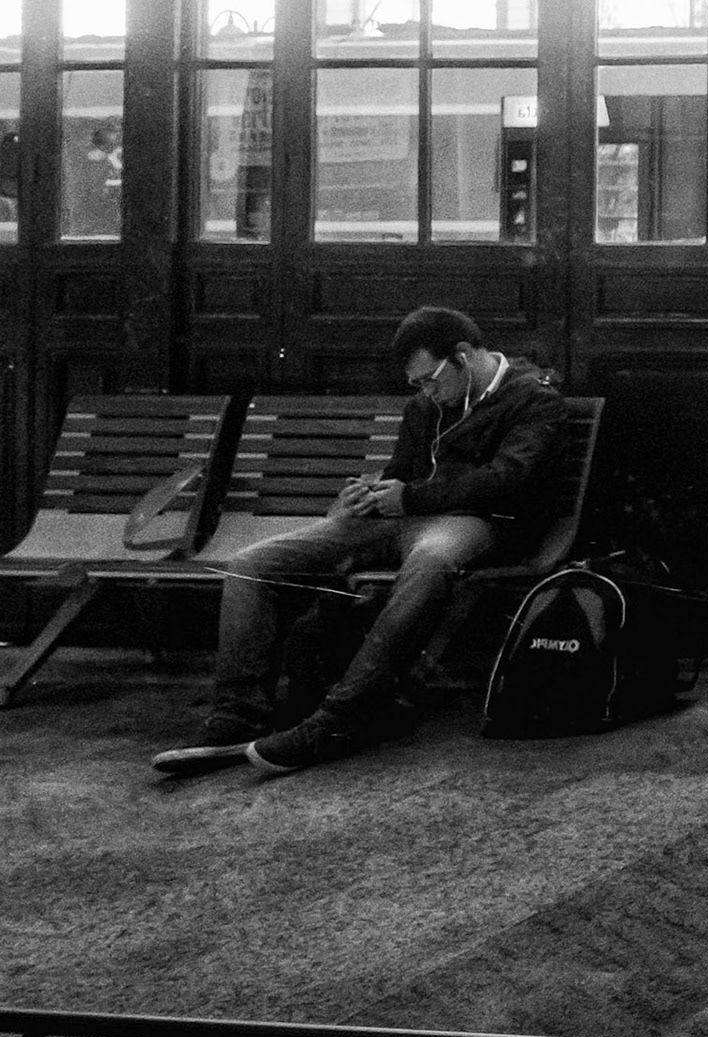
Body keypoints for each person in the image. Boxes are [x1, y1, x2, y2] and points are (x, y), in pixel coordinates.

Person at [152, 306, 565, 775]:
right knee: (251, 563)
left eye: (429, 379)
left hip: (479, 522)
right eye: (417, 385)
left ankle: (338, 718)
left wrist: (410, 497)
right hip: (404, 518)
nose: (426, 392)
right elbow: (402, 474)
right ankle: (237, 715)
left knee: (429, 562)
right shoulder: (428, 403)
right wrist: (366, 495)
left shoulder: (533, 399)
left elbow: (509, 479)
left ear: (464, 357)